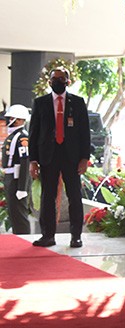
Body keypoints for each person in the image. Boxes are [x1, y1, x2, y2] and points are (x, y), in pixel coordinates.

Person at [28, 67, 90, 248]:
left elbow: (85, 132)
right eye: (54, 78)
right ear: (49, 82)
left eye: (61, 79)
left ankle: (76, 236)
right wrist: (33, 160)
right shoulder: (40, 103)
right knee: (48, 197)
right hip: (48, 156)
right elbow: (34, 133)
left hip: (72, 157)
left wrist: (84, 158)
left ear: (68, 82)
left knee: (74, 196)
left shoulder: (77, 103)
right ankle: (47, 236)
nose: (58, 81)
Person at [2, 104, 31, 234]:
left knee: (20, 214)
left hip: (17, 179)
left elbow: (25, 163)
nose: (8, 121)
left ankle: (24, 239)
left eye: (11, 118)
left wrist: (22, 188)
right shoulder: (13, 136)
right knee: (13, 212)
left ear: (20, 119)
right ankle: (17, 237)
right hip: (10, 177)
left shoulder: (22, 137)